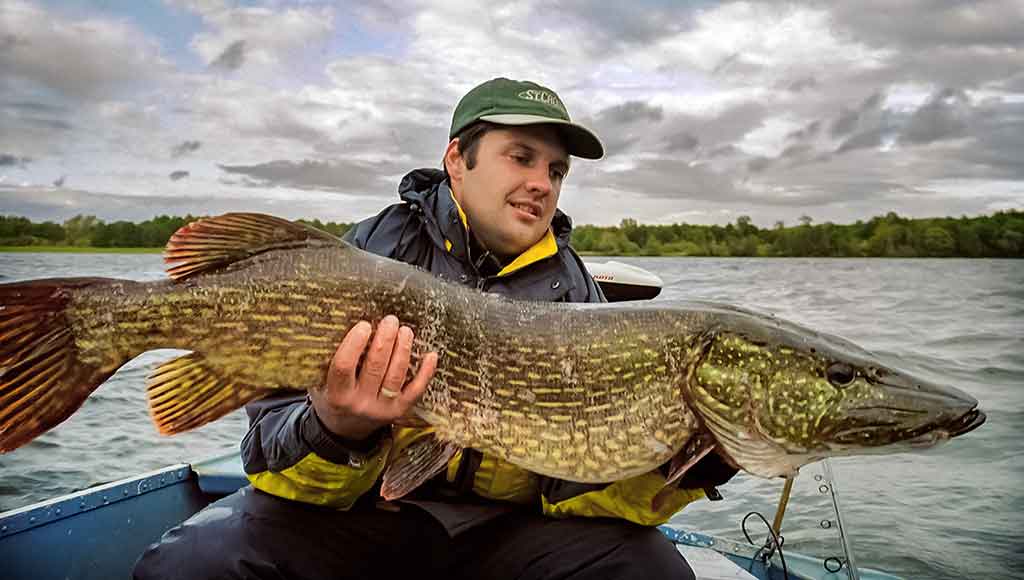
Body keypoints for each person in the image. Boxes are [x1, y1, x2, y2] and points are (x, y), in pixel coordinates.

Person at [134, 77, 737, 580]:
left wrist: (688, 467)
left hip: (507, 536)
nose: (542, 183)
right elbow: (266, 456)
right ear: (456, 158)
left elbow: (573, 488)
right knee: (195, 564)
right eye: (521, 157)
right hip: (356, 517)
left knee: (650, 572)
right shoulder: (371, 253)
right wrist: (339, 428)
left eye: (557, 170)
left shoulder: (578, 294)